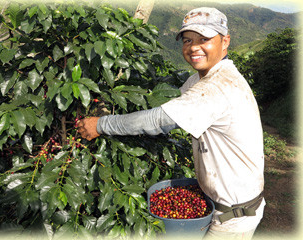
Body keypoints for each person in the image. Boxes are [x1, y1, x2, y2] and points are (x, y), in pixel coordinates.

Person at [77, 7, 265, 240]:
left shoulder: (218, 87)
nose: (194, 47)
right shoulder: (201, 79)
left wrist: (101, 124)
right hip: (216, 203)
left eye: (204, 39)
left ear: (225, 41)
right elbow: (170, 109)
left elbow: (159, 120)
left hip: (232, 217)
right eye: (187, 40)